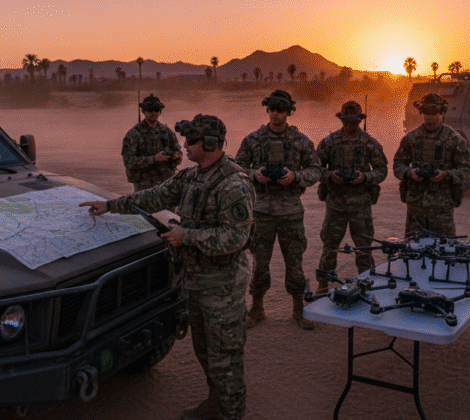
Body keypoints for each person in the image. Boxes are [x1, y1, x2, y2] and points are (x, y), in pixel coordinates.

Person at [81, 115, 253, 420]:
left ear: (210, 143)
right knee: (205, 352)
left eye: (191, 141)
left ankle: (232, 413)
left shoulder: (233, 183)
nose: (184, 146)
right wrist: (112, 205)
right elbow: (155, 195)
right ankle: (215, 403)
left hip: (222, 286)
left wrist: (187, 235)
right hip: (197, 281)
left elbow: (236, 238)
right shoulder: (192, 177)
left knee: (225, 357)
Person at [234, 90, 321, 330]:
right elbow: (238, 166)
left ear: (288, 112)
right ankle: (258, 309)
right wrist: (254, 174)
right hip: (261, 211)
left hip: (290, 212)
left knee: (294, 262)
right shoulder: (253, 139)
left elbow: (315, 170)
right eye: (271, 109)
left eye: (280, 110)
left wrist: (296, 176)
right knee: (260, 262)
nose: (275, 114)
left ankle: (298, 310)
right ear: (267, 110)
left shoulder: (300, 140)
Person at [313, 100, 388, 294]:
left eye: (353, 122)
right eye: (346, 122)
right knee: (329, 247)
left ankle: (367, 285)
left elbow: (382, 170)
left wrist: (365, 177)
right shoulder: (329, 142)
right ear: (341, 120)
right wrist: (330, 176)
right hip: (335, 204)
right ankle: (323, 285)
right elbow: (314, 168)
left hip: (360, 205)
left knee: (364, 248)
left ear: (359, 121)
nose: (349, 126)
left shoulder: (369, 142)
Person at [392, 92, 470, 238]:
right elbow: (398, 164)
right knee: (413, 251)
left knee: (444, 251)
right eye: (425, 113)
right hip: (416, 208)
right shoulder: (411, 137)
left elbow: (466, 169)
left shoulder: (454, 139)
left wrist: (446, 174)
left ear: (441, 113)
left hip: (442, 208)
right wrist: (409, 172)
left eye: (432, 113)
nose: (428, 117)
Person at [121, 93, 182, 192]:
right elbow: (128, 162)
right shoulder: (134, 134)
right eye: (150, 110)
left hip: (166, 186)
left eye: (157, 110)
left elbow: (179, 152)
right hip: (144, 188)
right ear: (143, 111)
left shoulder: (167, 131)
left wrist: (175, 156)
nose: (154, 113)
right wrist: (153, 159)